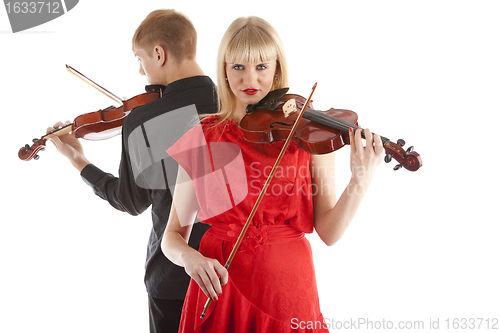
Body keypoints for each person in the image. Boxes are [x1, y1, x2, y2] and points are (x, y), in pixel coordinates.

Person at [161, 16, 385, 332]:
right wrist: (190, 259)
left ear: (277, 69)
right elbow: (172, 237)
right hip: (220, 289)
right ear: (223, 69)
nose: (249, 78)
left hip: (287, 288)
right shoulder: (202, 136)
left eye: (261, 67)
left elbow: (330, 233)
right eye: (237, 66)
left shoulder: (306, 133)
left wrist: (361, 177)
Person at [46, 9, 217, 333]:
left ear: (158, 53)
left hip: (172, 279)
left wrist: (78, 160)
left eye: (140, 59)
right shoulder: (237, 104)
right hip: (234, 273)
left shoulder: (143, 120)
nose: (141, 71)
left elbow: (131, 202)